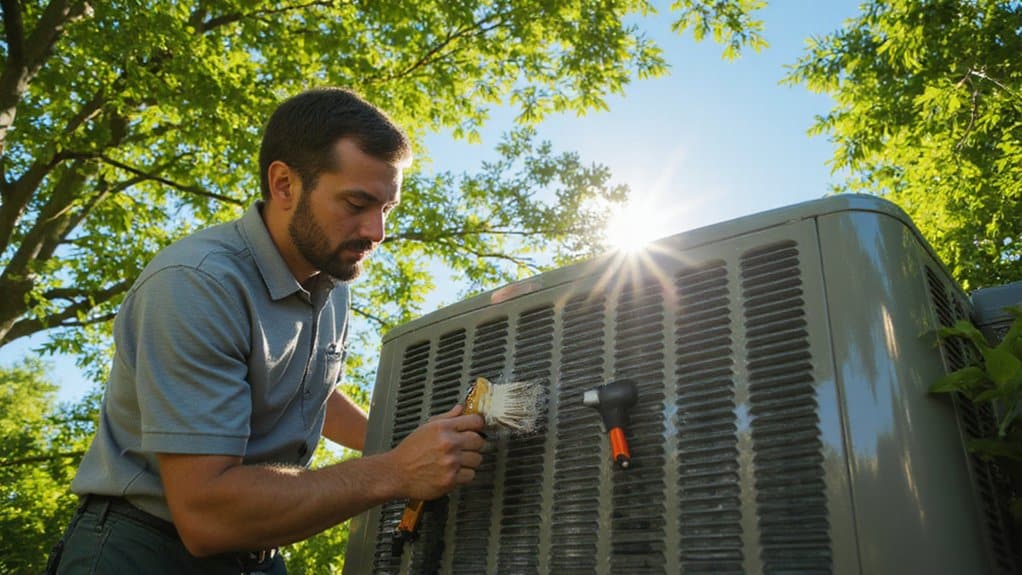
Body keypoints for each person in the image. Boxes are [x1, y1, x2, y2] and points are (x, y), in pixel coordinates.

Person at [47, 88, 486, 574]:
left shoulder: (331, 282)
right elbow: (205, 513)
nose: (376, 232)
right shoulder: (197, 284)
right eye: (357, 203)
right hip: (145, 550)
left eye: (387, 209)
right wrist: (395, 471)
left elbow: (311, 392)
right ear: (284, 185)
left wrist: (407, 445)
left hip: (259, 553)